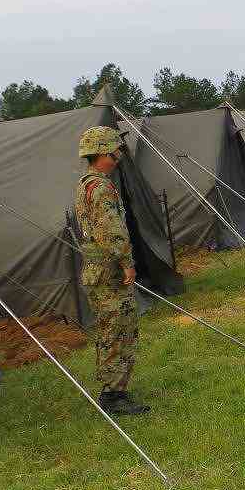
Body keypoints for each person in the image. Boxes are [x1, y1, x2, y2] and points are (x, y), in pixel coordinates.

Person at [75, 126, 149, 416]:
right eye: (115, 152)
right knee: (118, 331)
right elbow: (113, 231)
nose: (118, 157)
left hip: (97, 269)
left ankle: (114, 390)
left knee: (110, 329)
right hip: (109, 271)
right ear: (103, 153)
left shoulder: (85, 184)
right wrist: (127, 262)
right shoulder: (102, 187)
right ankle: (114, 396)